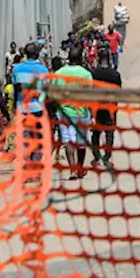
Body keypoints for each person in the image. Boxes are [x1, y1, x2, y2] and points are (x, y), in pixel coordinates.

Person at [54, 47, 93, 180]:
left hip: (64, 112)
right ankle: (80, 169)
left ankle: (72, 171)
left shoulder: (59, 73)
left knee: (68, 141)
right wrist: (92, 114)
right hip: (82, 112)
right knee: (81, 142)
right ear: (80, 58)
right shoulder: (86, 74)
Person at [87, 61, 121, 168]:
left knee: (96, 133)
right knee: (109, 132)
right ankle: (106, 157)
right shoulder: (115, 74)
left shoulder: (92, 73)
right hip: (111, 105)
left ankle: (96, 157)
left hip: (96, 105)